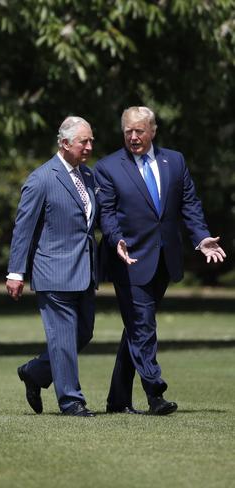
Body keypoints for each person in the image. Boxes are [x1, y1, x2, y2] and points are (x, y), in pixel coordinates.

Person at [95, 106, 226, 415]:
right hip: (129, 259)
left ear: (152, 131)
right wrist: (116, 240)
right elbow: (108, 213)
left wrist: (200, 237)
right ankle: (156, 393)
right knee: (142, 325)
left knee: (135, 329)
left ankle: (117, 399)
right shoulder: (109, 167)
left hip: (165, 259)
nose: (133, 136)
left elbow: (189, 203)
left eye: (139, 130)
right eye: (128, 131)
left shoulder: (175, 161)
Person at [6, 116, 98, 417]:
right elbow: (24, 228)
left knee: (82, 334)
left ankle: (35, 372)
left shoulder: (88, 177)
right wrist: (16, 272)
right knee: (61, 337)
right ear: (64, 143)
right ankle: (71, 400)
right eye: (83, 141)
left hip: (84, 271)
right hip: (53, 272)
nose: (89, 146)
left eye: (91, 140)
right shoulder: (42, 178)